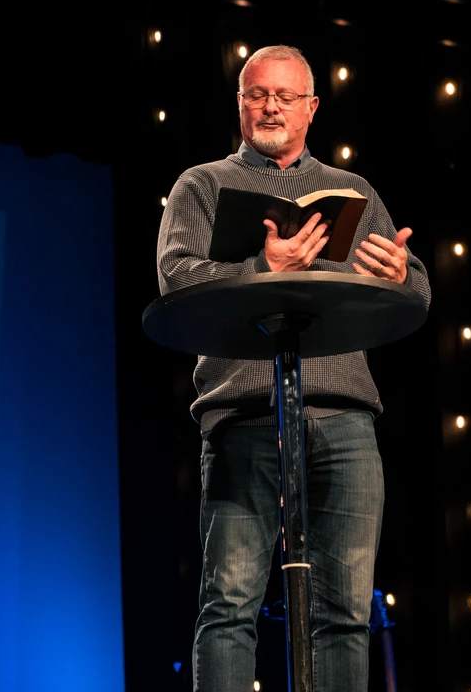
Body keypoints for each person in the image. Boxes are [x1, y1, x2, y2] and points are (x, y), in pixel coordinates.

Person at [156, 45, 431, 692]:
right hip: (245, 415)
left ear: (311, 108)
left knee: (344, 612)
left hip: (343, 417)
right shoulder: (204, 183)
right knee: (229, 604)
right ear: (241, 106)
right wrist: (262, 269)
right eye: (258, 94)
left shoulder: (353, 192)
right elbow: (176, 279)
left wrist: (401, 277)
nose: (271, 106)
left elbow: (414, 285)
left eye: (285, 96)